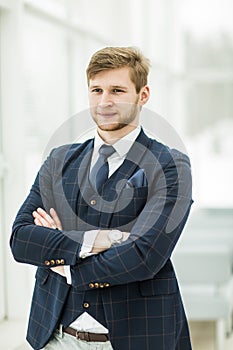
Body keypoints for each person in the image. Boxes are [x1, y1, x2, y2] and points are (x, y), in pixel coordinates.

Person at [10, 46, 193, 350]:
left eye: (117, 90)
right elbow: (22, 239)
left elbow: (145, 255)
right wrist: (97, 241)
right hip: (55, 335)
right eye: (96, 90)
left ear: (142, 95)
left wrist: (65, 263)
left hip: (136, 337)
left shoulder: (169, 166)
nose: (105, 101)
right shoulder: (59, 161)